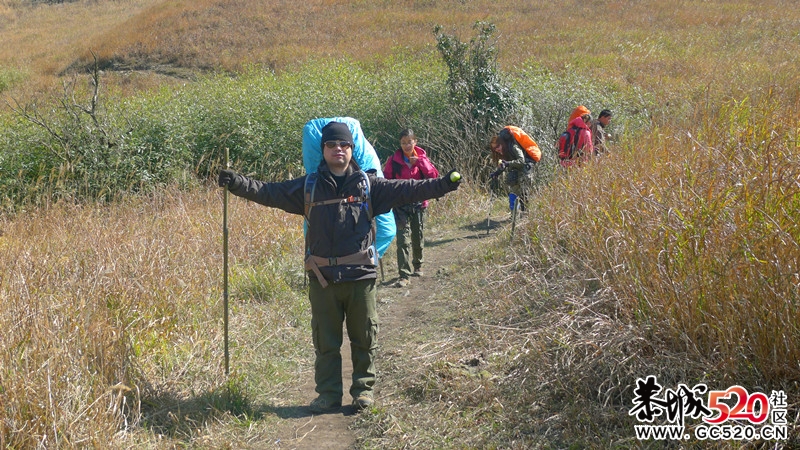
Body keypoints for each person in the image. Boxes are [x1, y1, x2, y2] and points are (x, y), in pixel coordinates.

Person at [217, 122, 461, 414]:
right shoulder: (306, 187)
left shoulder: (371, 186)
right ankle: (328, 395)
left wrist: (444, 184)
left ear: (351, 149)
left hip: (361, 278)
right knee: (326, 342)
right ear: (323, 150)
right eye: (332, 145)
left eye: (344, 145)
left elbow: (410, 189)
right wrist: (237, 183)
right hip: (323, 280)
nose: (338, 149)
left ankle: (363, 391)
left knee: (364, 338)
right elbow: (268, 191)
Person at [382, 129, 439, 287]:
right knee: (403, 240)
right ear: (400, 144)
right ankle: (404, 275)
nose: (406, 145)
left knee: (417, 236)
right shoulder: (393, 160)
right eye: (403, 143)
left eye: (409, 142)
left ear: (415, 141)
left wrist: (419, 163)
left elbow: (433, 176)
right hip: (400, 206)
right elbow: (386, 181)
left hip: (419, 204)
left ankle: (418, 265)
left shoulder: (422, 157)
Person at [489, 126, 536, 211]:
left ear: (502, 143)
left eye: (497, 146)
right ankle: (514, 213)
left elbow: (521, 161)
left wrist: (508, 163)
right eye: (494, 148)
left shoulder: (513, 147)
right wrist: (496, 173)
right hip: (515, 172)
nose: (497, 149)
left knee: (523, 193)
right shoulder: (504, 152)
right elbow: (505, 165)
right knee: (513, 193)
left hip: (525, 170)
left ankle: (524, 214)